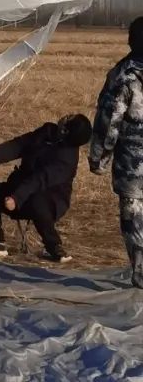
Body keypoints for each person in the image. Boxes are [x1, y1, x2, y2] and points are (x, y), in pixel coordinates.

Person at [0, 114, 92, 263]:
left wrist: (16, 198)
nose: (65, 117)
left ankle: (54, 246)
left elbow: (39, 180)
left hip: (50, 200)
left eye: (69, 120)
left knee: (38, 201)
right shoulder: (47, 131)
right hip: (19, 191)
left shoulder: (67, 159)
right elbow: (21, 144)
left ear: (66, 131)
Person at [89, 16, 143, 288]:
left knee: (134, 216)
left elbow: (110, 121)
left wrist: (99, 157)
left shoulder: (124, 75)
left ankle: (142, 271)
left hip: (133, 163)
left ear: (132, 40)